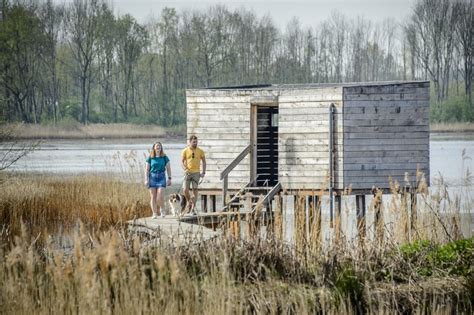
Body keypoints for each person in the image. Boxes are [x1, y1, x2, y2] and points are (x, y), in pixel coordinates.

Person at [145, 142, 172, 219]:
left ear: (161, 148)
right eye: (157, 146)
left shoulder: (164, 157)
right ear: (154, 148)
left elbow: (168, 168)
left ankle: (162, 209)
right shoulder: (150, 157)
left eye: (159, 146)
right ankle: (154, 213)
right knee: (153, 197)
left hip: (161, 177)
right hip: (152, 177)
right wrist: (146, 180)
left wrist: (169, 178)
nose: (158, 147)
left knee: (159, 196)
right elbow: (146, 170)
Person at [181, 135, 206, 214]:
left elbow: (204, 162)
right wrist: (185, 169)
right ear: (190, 142)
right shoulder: (185, 150)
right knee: (185, 189)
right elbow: (181, 162)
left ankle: (193, 209)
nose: (195, 143)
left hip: (196, 173)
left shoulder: (200, 151)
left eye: (196, 142)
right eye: (193, 142)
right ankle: (189, 202)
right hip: (187, 172)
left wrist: (203, 172)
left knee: (195, 190)